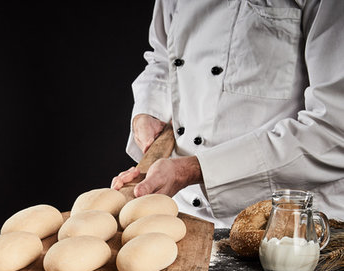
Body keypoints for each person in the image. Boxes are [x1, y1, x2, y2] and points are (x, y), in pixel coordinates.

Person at [110, 0, 344, 228]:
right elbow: (163, 57)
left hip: (290, 222)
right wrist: (149, 110)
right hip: (179, 209)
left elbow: (333, 131)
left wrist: (191, 170)